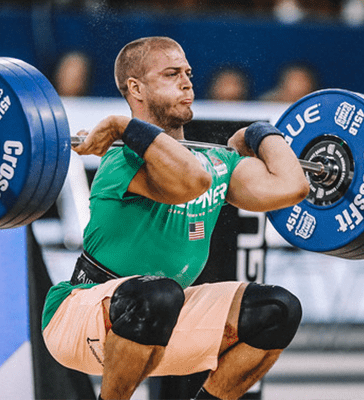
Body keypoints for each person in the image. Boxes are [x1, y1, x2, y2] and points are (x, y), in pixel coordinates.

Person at [42, 36, 308, 400]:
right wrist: (124, 128)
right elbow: (191, 181)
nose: (187, 83)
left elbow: (293, 188)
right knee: (159, 294)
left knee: (279, 309)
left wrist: (259, 131)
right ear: (135, 88)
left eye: (188, 74)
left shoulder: (218, 162)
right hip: (82, 315)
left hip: (165, 317)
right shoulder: (121, 161)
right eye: (171, 74)